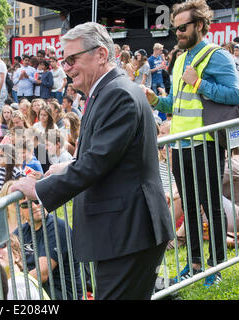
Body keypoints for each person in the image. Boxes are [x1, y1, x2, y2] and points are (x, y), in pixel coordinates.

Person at [12, 22, 173, 300]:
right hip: (124, 230)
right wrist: (70, 165)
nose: (67, 67)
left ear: (100, 54)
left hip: (128, 232)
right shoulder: (109, 90)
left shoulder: (117, 93)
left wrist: (38, 190)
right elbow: (109, 155)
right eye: (64, 60)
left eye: (72, 59)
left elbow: (97, 162)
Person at [144, 0, 239, 287]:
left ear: (199, 25)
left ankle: (217, 267)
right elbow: (175, 103)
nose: (178, 33)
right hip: (180, 144)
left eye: (183, 27)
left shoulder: (217, 55)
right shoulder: (181, 58)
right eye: (175, 28)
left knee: (211, 205)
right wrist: (156, 100)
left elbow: (235, 96)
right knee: (188, 204)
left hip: (206, 143)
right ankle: (195, 263)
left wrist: (199, 84)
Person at [13, 198, 82, 300]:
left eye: (37, 200)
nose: (35, 206)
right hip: (34, 288)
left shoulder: (58, 227)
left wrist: (11, 285)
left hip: (61, 293)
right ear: (19, 210)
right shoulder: (20, 232)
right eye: (26, 205)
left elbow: (42, 274)